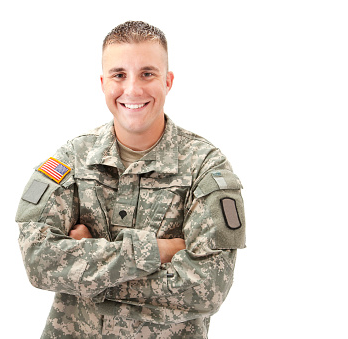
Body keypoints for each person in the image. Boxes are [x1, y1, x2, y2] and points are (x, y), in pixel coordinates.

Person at [16, 21, 246, 339]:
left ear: (168, 81)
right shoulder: (72, 158)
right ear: (103, 82)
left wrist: (86, 267)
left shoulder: (205, 167)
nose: (133, 90)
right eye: (119, 75)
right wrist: (155, 251)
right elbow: (38, 262)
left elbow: (208, 288)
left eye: (147, 74)